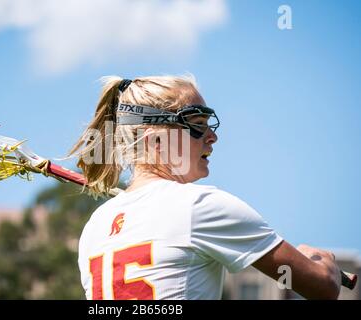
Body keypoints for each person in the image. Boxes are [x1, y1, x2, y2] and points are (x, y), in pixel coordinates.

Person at [72, 75, 341, 300]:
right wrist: (320, 259)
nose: (212, 137)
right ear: (155, 141)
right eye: (197, 125)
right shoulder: (201, 206)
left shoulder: (95, 226)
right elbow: (323, 288)